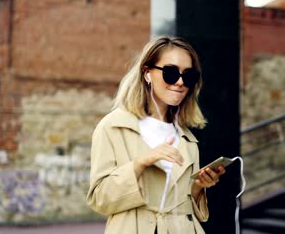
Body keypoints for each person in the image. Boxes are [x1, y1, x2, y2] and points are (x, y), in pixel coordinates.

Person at [86, 36, 225, 234]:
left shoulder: (187, 138)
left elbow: (182, 205)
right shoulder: (114, 127)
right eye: (170, 73)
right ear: (147, 73)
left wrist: (198, 187)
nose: (180, 82)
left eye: (188, 76)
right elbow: (100, 199)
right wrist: (142, 162)